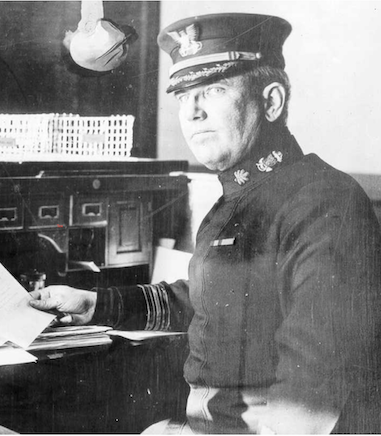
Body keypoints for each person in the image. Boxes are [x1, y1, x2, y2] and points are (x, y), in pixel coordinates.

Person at [29, 12, 381, 434]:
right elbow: (211, 299)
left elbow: (308, 405)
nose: (192, 113)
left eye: (213, 89)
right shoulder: (233, 201)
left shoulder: (324, 203)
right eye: (183, 96)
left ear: (271, 102)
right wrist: (95, 304)